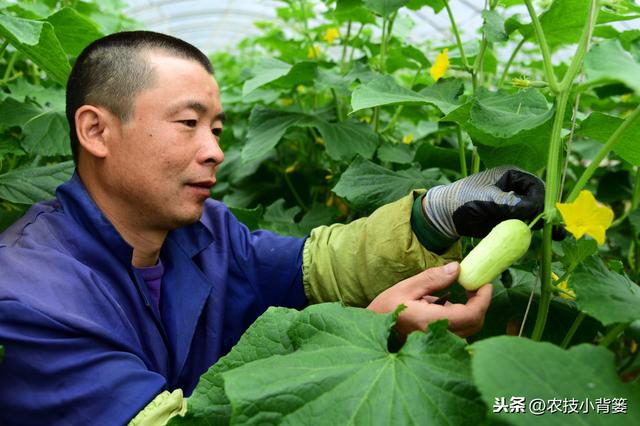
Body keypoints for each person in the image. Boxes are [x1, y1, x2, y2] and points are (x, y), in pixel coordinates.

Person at [0, 31, 546, 424]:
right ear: (95, 130)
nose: (214, 151)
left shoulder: (206, 231)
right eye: (188, 124)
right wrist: (355, 341)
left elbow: (315, 267)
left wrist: (441, 212)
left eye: (216, 128)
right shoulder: (28, 297)